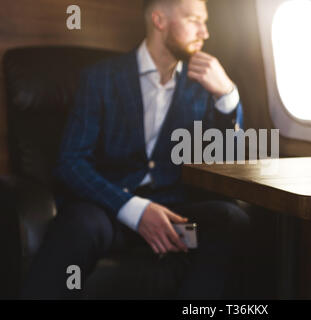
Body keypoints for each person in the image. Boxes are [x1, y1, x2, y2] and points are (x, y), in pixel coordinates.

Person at [21, 0, 250, 299]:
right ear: (159, 20)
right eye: (194, 19)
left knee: (231, 220)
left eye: (204, 21)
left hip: (174, 223)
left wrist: (228, 96)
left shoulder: (203, 87)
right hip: (110, 214)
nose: (204, 32)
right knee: (77, 225)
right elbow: (70, 162)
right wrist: (135, 210)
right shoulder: (100, 78)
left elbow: (230, 162)